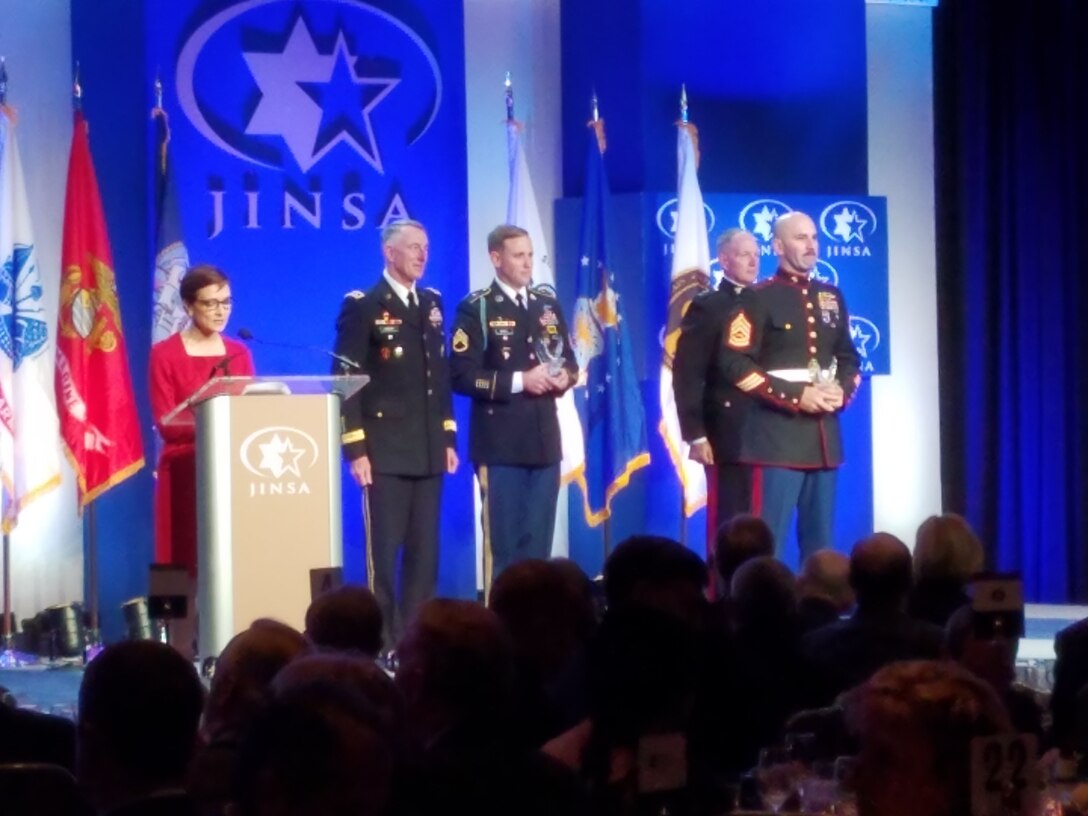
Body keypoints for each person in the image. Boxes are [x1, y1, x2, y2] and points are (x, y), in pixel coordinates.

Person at [332, 219, 458, 651]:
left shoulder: (432, 303)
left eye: (426, 247)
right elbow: (346, 379)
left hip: (426, 448)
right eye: (413, 247)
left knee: (425, 555)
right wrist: (356, 448)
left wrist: (447, 437)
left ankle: (415, 642)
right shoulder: (364, 304)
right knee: (383, 557)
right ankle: (383, 642)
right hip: (383, 451)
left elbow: (437, 376)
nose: (423, 255)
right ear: (390, 252)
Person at [719, 211, 861, 560]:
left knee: (822, 551)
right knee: (769, 547)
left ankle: (820, 612)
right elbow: (735, 364)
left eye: (814, 237)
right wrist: (798, 396)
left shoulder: (831, 297)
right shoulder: (755, 298)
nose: (811, 244)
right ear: (778, 246)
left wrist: (840, 392)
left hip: (824, 439)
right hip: (775, 442)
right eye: (801, 238)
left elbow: (849, 357)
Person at [450, 225, 578, 587]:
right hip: (501, 445)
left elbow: (569, 361)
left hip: (544, 443)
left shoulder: (546, 304)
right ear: (496, 258)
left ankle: (531, 631)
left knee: (537, 550)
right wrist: (523, 380)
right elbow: (460, 375)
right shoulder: (477, 308)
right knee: (504, 550)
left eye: (530, 255)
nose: (527, 263)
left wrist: (563, 378)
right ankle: (499, 631)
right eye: (518, 255)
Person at [149, 264, 254, 574]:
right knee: (179, 559)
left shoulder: (239, 353)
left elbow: (248, 412)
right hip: (183, 468)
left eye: (226, 302)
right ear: (188, 306)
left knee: (228, 561)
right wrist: (216, 424)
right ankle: (174, 623)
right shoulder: (164, 354)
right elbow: (167, 422)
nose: (221, 311)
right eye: (211, 303)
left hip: (232, 469)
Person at [672, 228, 760, 552]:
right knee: (730, 523)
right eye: (744, 254)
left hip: (768, 430)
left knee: (761, 520)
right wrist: (696, 434)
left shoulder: (766, 302)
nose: (753, 261)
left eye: (756, 255)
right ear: (724, 260)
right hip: (726, 431)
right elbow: (687, 372)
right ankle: (723, 591)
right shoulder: (709, 306)